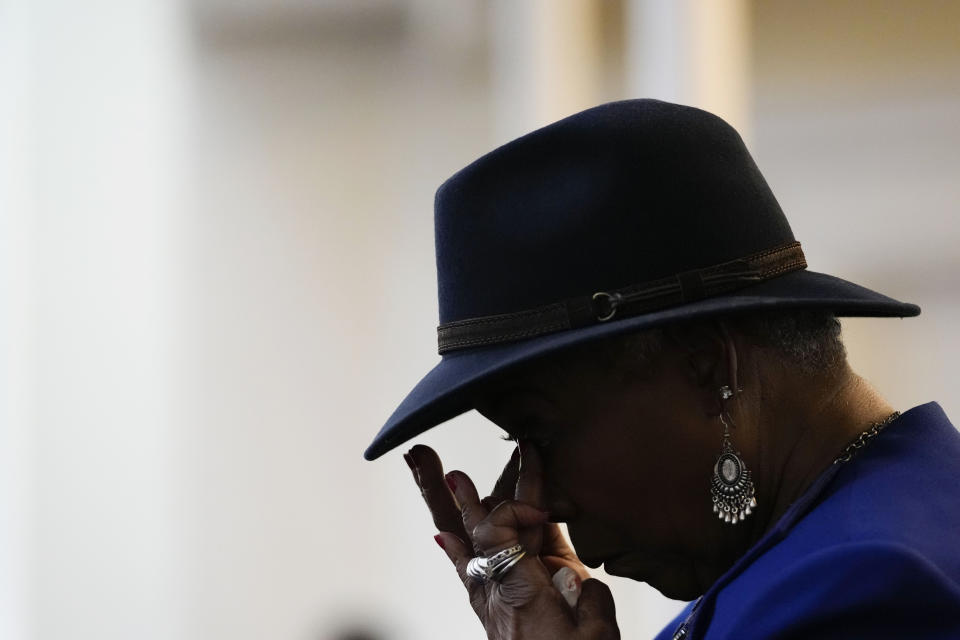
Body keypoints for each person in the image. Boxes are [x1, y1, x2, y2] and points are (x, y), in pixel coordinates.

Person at [363, 99, 960, 639]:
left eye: (539, 434)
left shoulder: (863, 588)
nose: (536, 500)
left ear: (705, 369)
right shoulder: (827, 547)